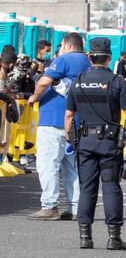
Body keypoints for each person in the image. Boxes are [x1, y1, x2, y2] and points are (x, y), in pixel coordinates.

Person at [65, 37, 126, 250]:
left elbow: (69, 115)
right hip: (110, 144)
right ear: (109, 58)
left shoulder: (78, 81)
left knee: (87, 188)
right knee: (111, 187)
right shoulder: (118, 81)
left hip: (86, 142)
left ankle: (85, 237)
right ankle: (114, 237)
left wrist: (70, 140)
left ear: (90, 57)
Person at [28, 32, 91, 220]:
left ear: (68, 45)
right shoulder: (87, 62)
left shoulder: (64, 59)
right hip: (74, 122)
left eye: (62, 45)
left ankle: (49, 205)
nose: (60, 49)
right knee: (71, 167)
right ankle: (74, 207)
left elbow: (44, 82)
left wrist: (34, 97)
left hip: (53, 119)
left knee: (48, 164)